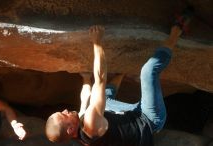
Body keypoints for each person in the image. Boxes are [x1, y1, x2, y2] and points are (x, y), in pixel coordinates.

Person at [45, 10, 192, 145]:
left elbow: (85, 98)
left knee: (98, 101)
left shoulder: (78, 129)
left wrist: (85, 78)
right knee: (147, 72)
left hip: (131, 114)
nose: (65, 110)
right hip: (149, 119)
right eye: (63, 115)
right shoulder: (90, 125)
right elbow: (100, 79)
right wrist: (97, 42)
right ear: (70, 129)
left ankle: (122, 73)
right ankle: (177, 30)